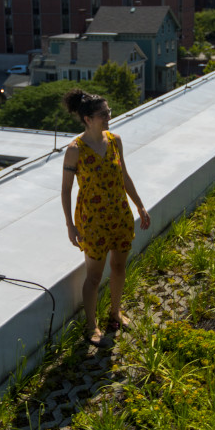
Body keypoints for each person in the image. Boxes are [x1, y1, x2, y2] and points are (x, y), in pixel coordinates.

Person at [60, 88, 150, 346]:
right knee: (94, 277)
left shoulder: (115, 141)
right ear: (88, 119)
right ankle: (91, 325)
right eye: (103, 114)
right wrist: (70, 225)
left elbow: (124, 176)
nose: (108, 117)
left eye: (108, 112)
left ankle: (115, 313)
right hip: (92, 221)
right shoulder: (75, 149)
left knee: (119, 267)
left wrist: (140, 206)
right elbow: (66, 189)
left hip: (119, 215)